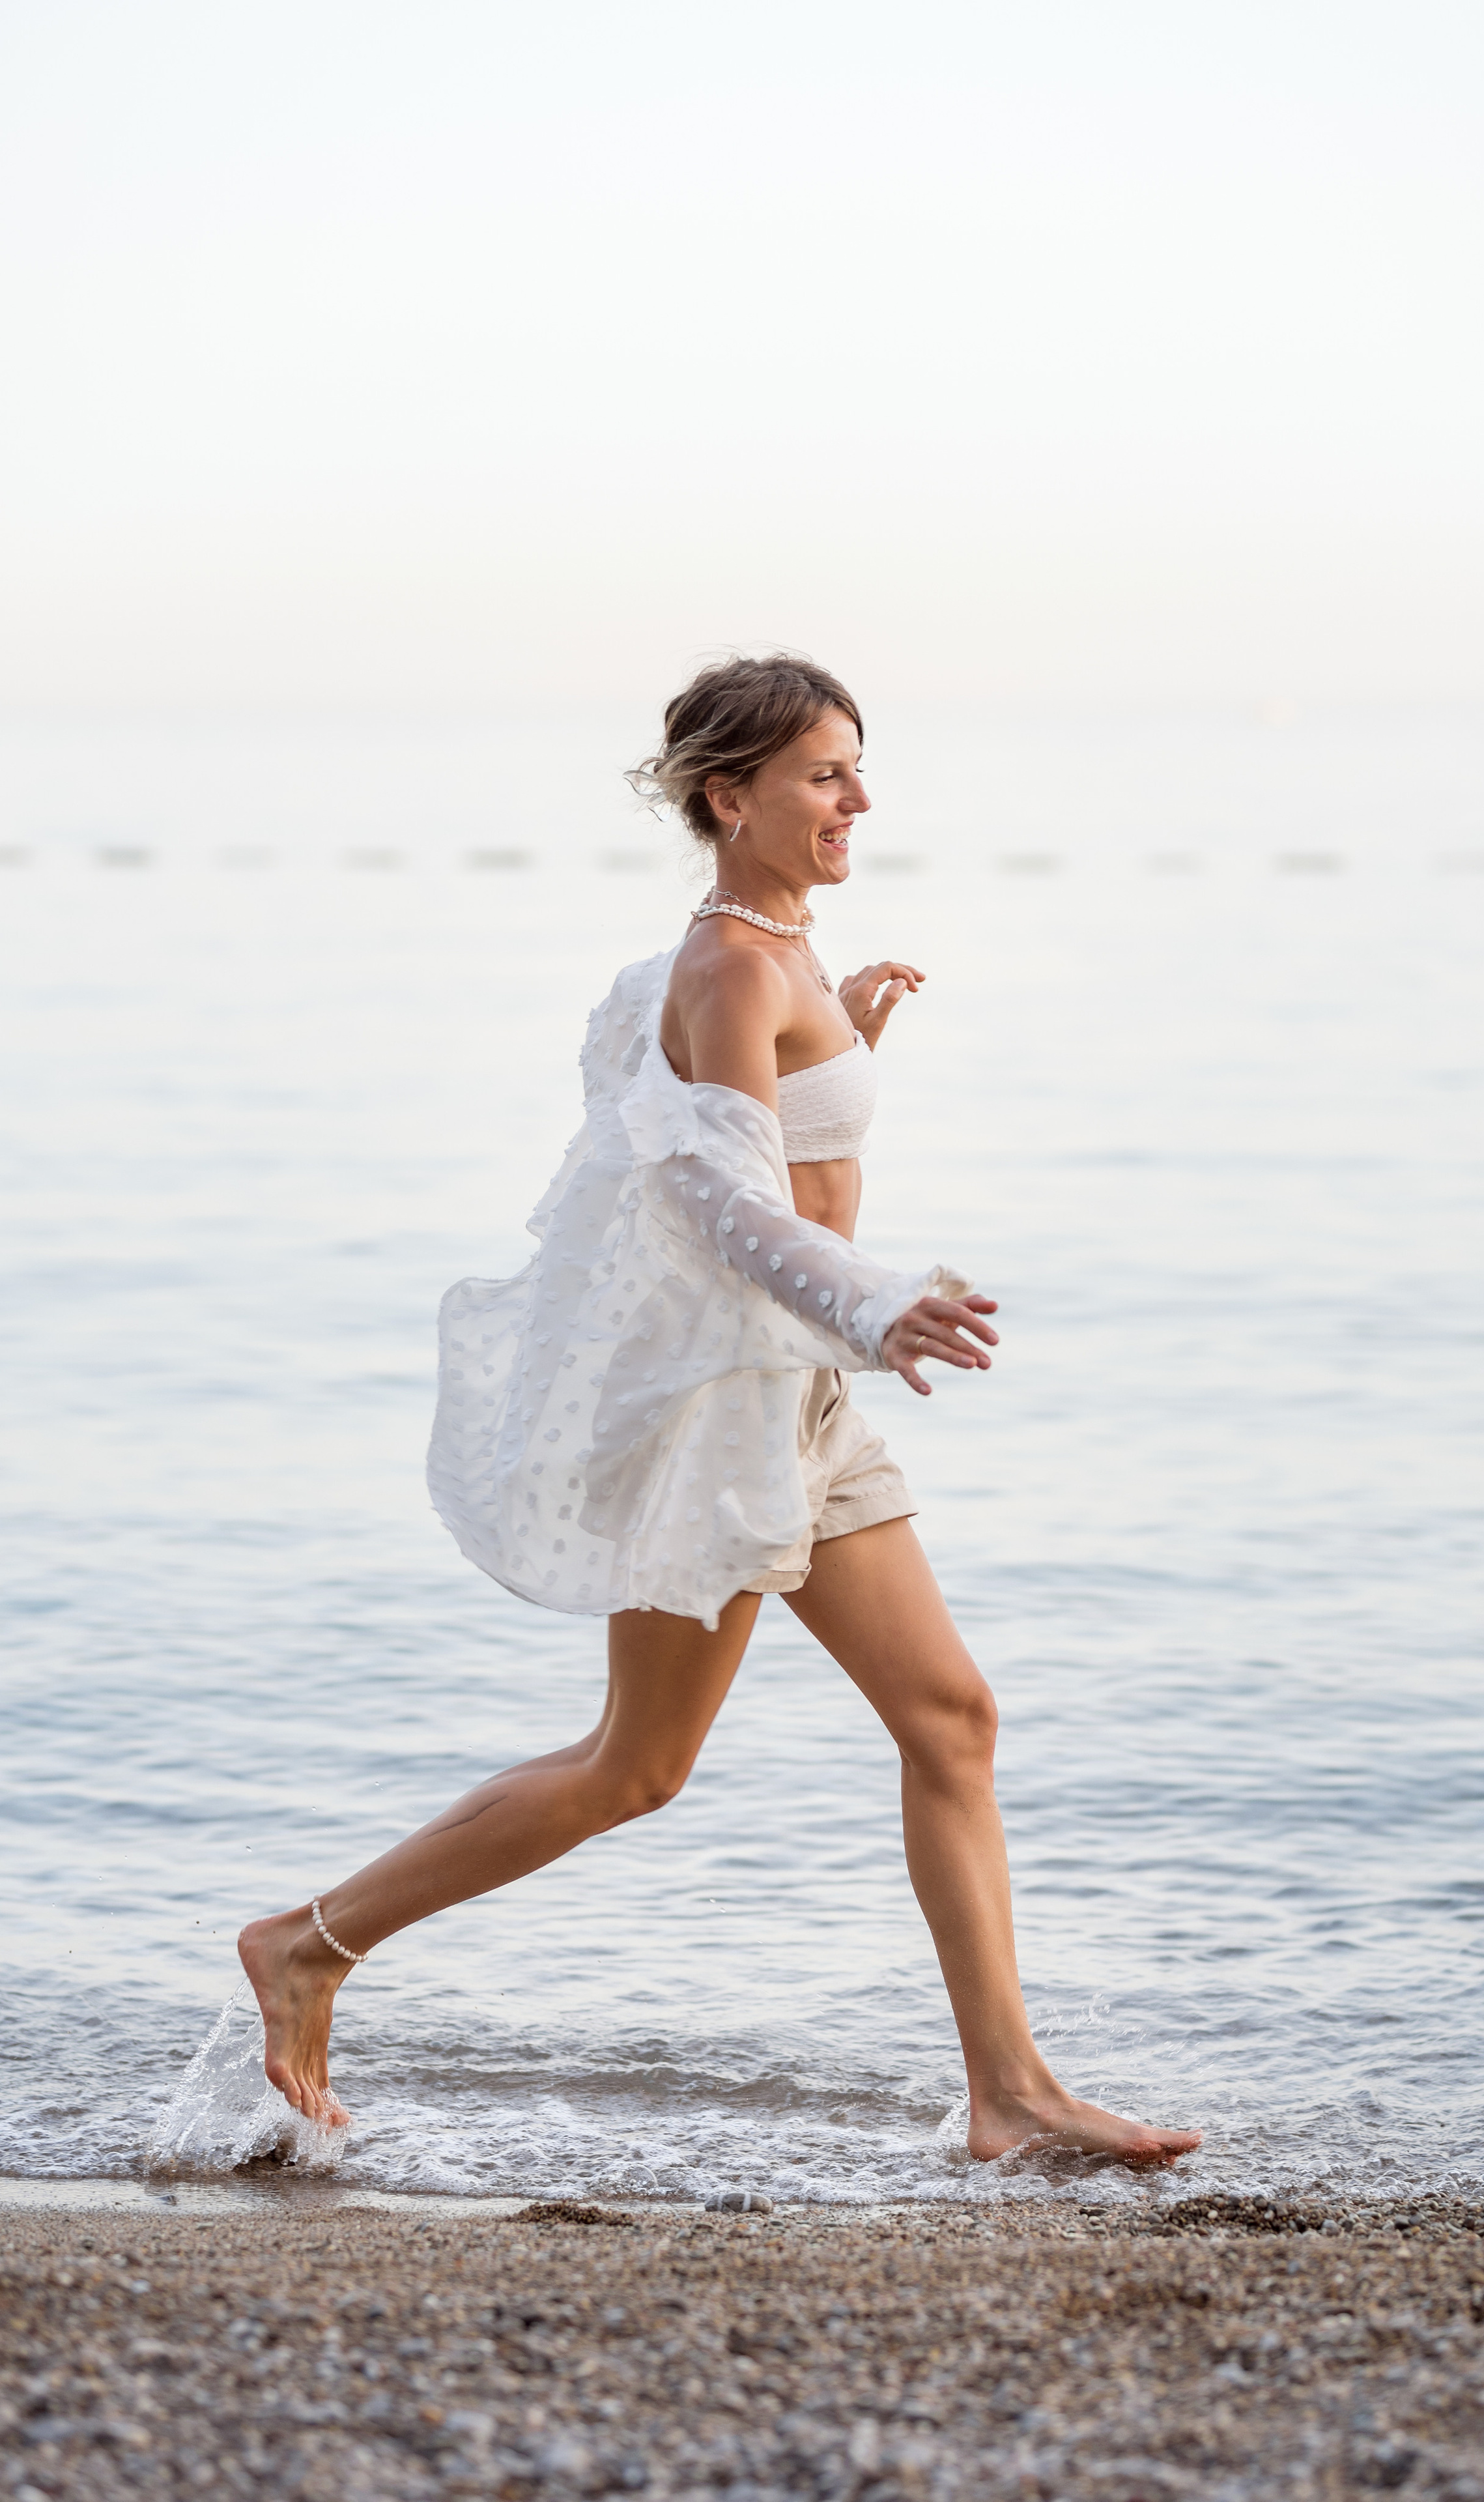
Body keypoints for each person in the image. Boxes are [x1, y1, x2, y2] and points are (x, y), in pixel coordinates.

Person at [240, 653, 1201, 2172]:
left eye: (855, 770)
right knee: (636, 1767)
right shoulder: (730, 968)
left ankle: (1007, 2095)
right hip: (731, 1412)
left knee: (950, 1718)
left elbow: (750, 1131)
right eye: (825, 776)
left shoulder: (780, 954)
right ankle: (309, 1942)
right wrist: (884, 1303)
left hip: (802, 1397)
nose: (858, 802)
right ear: (727, 795)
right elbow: (713, 1202)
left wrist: (854, 1042)